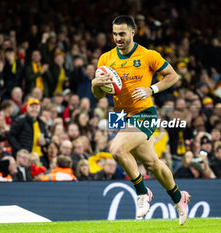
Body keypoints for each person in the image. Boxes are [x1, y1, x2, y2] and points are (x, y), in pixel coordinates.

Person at [91, 15, 189, 225]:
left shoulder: (148, 55)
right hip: (119, 114)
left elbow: (173, 76)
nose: (117, 38)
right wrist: (95, 83)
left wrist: (151, 89)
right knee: (152, 163)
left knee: (116, 149)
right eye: (115, 33)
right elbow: (99, 95)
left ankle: (142, 192)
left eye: (122, 34)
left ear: (133, 32)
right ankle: (179, 198)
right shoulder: (106, 58)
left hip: (144, 113)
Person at [8, 98, 50, 166]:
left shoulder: (41, 123)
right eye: (31, 107)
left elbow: (48, 138)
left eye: (36, 107)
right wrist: (20, 150)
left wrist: (45, 141)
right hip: (26, 157)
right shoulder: (20, 120)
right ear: (27, 108)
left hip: (39, 157)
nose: (34, 109)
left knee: (44, 169)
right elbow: (11, 136)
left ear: (39, 110)